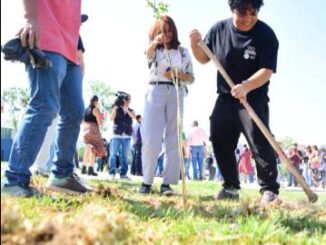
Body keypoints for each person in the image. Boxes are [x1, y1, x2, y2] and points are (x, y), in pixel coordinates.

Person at [190, 0, 280, 204]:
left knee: (259, 141)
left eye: (253, 13)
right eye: (243, 13)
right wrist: (194, 44)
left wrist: (247, 86)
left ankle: (269, 190)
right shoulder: (219, 29)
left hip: (253, 96)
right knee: (219, 137)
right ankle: (230, 186)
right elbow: (204, 58)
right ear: (233, 10)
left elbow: (267, 70)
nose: (249, 18)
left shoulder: (266, 35)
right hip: (225, 96)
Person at [1, 0, 90, 197]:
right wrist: (31, 19)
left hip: (71, 46)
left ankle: (62, 174)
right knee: (44, 107)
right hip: (47, 37)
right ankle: (14, 180)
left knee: (75, 111)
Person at [139, 15, 194, 195]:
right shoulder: (155, 49)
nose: (168, 34)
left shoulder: (183, 51)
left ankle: (167, 183)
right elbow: (147, 55)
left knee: (174, 137)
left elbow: (191, 77)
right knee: (151, 137)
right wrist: (155, 42)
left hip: (177, 91)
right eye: (164, 30)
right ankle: (146, 181)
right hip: (155, 91)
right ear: (156, 31)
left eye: (170, 30)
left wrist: (178, 74)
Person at [32, 14, 88, 177]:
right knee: (52, 125)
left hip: (58, 82)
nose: (80, 23)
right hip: (60, 85)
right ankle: (44, 166)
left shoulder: (72, 34)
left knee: (52, 125)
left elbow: (81, 63)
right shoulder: (73, 36)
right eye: (79, 20)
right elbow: (81, 63)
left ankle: (44, 166)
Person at [109, 92, 136, 180]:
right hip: (116, 135)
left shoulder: (131, 110)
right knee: (113, 155)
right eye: (129, 99)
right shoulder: (116, 109)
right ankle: (112, 173)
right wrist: (115, 108)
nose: (130, 101)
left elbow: (133, 117)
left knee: (124, 156)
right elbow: (111, 118)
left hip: (127, 136)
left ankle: (123, 174)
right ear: (124, 100)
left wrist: (127, 109)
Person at [81, 95, 106, 176]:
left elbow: (82, 121)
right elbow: (100, 123)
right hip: (93, 130)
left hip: (85, 129)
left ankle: (84, 168)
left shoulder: (86, 110)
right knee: (95, 149)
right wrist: (102, 118)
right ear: (96, 101)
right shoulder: (96, 109)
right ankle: (90, 169)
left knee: (88, 149)